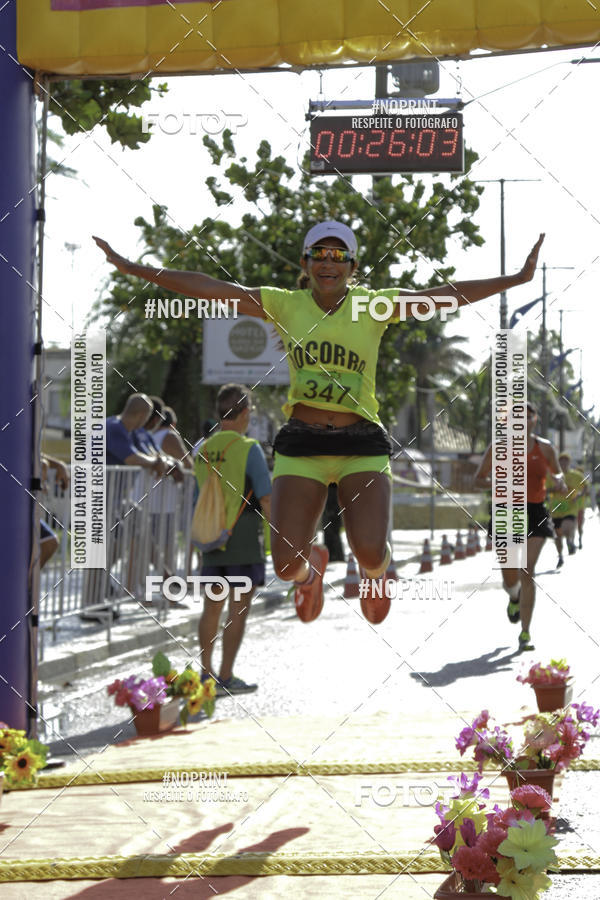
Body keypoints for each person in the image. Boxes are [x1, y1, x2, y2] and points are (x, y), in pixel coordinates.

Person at [94, 223, 544, 626]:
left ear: (353, 267)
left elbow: (444, 294)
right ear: (305, 265)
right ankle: (311, 574)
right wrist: (137, 270)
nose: (329, 264)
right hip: (302, 444)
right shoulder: (285, 305)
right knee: (287, 565)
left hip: (361, 442)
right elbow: (212, 288)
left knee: (369, 549)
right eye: (319, 255)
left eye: (339, 256)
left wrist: (514, 279)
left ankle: (375, 574)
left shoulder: (374, 306)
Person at [194, 384, 271, 695]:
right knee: (238, 609)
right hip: (241, 541)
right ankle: (225, 676)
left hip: (211, 538)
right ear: (245, 413)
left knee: (211, 608)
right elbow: (266, 501)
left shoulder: (202, 449)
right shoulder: (248, 448)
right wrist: (276, 543)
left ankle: (205, 673)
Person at [475, 403, 566, 651]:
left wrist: (559, 483)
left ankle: (525, 633)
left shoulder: (545, 448)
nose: (522, 421)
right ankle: (514, 597)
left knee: (528, 569)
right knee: (510, 575)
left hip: (535, 510)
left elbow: (558, 475)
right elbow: (478, 479)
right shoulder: (498, 447)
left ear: (535, 420)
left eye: (528, 417)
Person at [546, 452, 584, 566]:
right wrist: (554, 489)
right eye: (561, 461)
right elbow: (545, 490)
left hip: (570, 508)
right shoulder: (552, 476)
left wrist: (578, 495)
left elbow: (584, 487)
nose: (563, 463)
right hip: (556, 509)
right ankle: (560, 556)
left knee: (567, 527)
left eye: (565, 461)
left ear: (569, 462)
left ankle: (569, 541)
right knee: (557, 536)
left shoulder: (576, 475)